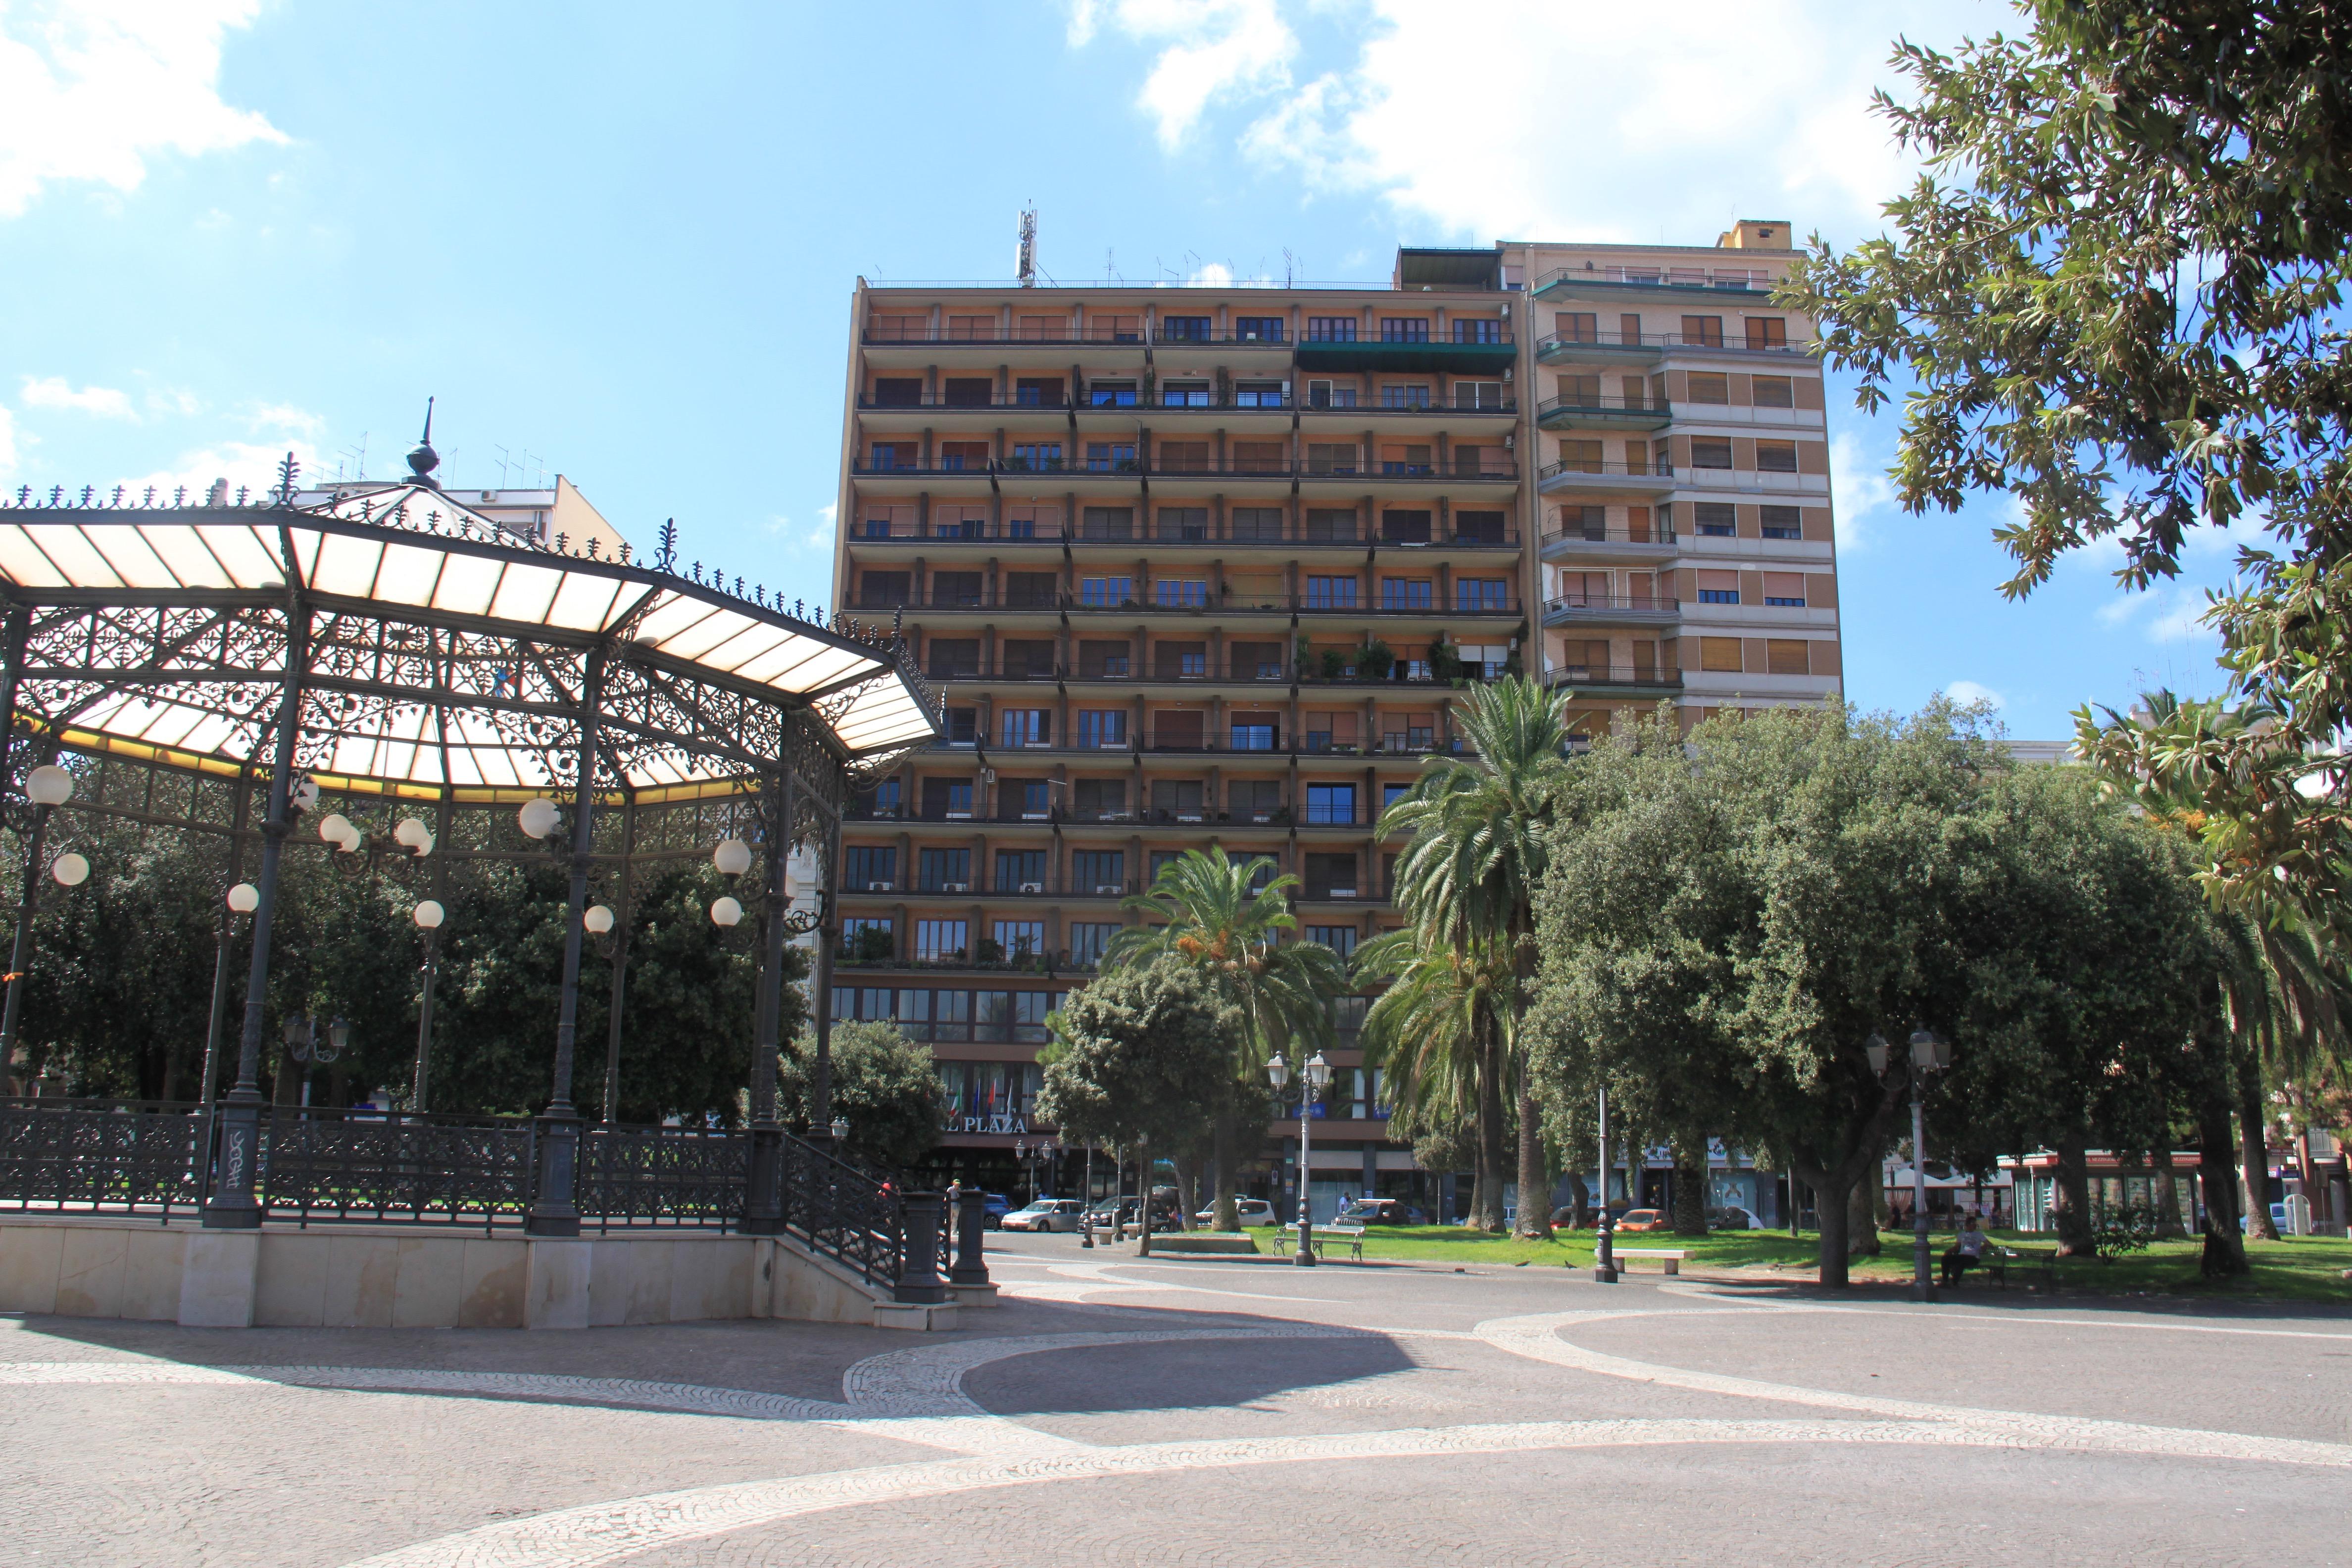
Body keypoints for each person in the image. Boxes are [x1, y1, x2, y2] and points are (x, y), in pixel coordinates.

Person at [1941, 1214, 1991, 1287]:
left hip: (1973, 1257)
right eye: (1973, 1224)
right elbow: (1957, 1246)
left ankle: (1954, 1282)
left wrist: (1984, 1247)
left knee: (1961, 1264)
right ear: (1967, 1225)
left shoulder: (1978, 1234)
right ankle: (1945, 1281)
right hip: (1962, 1256)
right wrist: (1949, 1251)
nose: (1975, 1225)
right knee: (1945, 1259)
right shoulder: (1961, 1234)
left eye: (1975, 1224)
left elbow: (1989, 1244)